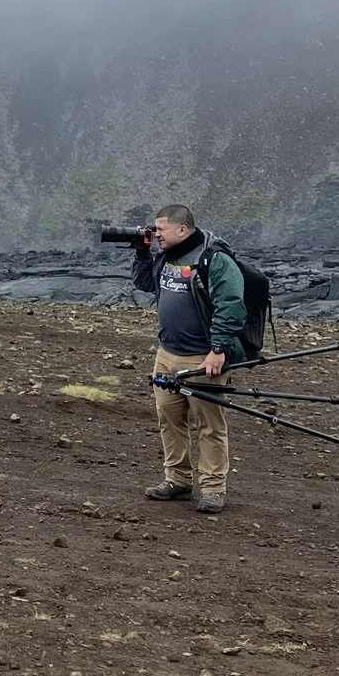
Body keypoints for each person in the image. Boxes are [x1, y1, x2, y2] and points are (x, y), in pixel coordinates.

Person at [131, 203, 247, 515]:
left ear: (182, 229)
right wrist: (141, 253)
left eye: (161, 230)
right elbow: (144, 284)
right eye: (155, 231)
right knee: (169, 418)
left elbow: (232, 304)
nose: (156, 235)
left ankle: (212, 488)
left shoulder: (214, 259)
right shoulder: (166, 256)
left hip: (203, 358)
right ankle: (177, 480)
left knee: (208, 424)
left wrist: (219, 349)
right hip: (167, 354)